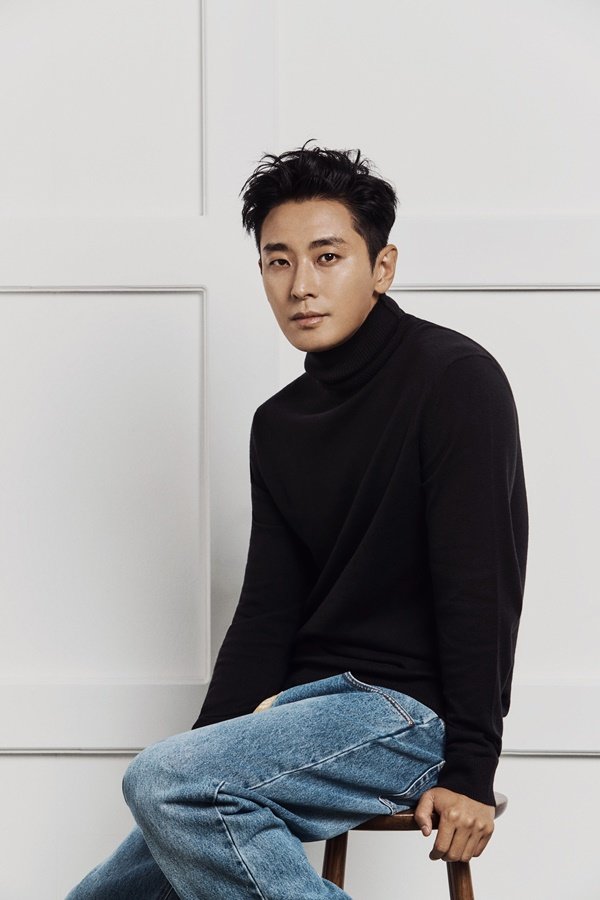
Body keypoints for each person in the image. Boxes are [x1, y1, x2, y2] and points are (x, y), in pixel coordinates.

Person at [66, 144, 528, 900]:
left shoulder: (455, 380)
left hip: (411, 715)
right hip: (303, 712)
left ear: (382, 267)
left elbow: (482, 586)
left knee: (163, 781)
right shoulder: (279, 423)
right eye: (277, 262)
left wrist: (473, 770)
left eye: (327, 257)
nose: (301, 286)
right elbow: (266, 611)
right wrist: (204, 754)